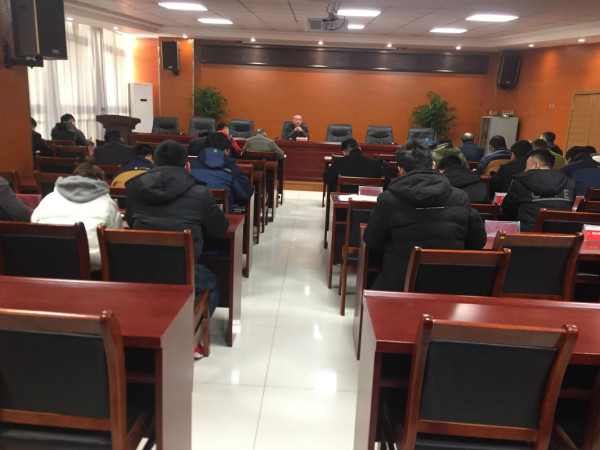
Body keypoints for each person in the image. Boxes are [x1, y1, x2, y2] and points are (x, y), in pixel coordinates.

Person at [363, 138, 486, 291]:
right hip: (449, 285)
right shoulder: (460, 197)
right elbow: (478, 242)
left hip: (401, 285)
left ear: (400, 170)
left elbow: (372, 240)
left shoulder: (388, 200)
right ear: (433, 165)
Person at [125, 139, 229, 320]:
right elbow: (220, 227)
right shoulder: (200, 192)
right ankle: (191, 330)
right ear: (187, 165)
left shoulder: (135, 187)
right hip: (181, 271)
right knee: (211, 283)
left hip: (138, 269)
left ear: (154, 163)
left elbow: (131, 221)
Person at [30, 159, 122, 272]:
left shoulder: (47, 200)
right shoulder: (109, 204)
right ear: (99, 181)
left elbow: (33, 227)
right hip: (93, 268)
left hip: (47, 263)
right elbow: (116, 242)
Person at [501, 149, 575, 231]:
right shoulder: (569, 182)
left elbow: (508, 209)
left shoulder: (521, 180)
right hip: (562, 235)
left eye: (527, 165)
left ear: (536, 165)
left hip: (527, 235)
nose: (525, 170)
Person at [190, 133, 254, 213]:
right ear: (226, 150)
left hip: (192, 214)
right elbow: (246, 193)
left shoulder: (190, 166)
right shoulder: (232, 169)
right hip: (222, 216)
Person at [322, 138, 390, 194]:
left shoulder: (339, 162)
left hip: (343, 201)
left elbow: (326, 178)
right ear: (359, 148)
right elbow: (387, 181)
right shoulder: (373, 163)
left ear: (344, 152)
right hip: (367, 201)